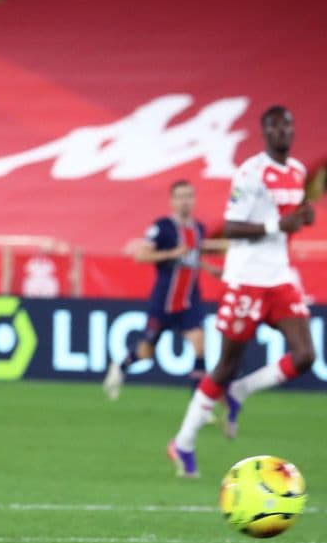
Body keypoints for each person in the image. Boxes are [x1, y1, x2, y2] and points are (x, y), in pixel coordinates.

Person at [167, 105, 315, 477]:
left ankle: (241, 392)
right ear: (265, 133)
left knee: (305, 356)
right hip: (246, 278)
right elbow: (230, 226)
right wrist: (276, 224)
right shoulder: (250, 173)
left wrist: (303, 217)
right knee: (225, 365)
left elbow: (290, 218)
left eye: (287, 124)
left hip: (279, 276)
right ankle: (182, 443)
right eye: (275, 126)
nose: (283, 131)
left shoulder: (297, 171)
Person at [103, 180, 223, 399]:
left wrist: (210, 269)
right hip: (164, 301)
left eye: (189, 196)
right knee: (147, 352)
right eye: (180, 197)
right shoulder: (162, 227)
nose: (185, 201)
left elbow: (193, 257)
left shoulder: (199, 228)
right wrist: (171, 254)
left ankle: (199, 405)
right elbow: (141, 256)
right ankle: (120, 367)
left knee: (199, 343)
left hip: (189, 300)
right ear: (172, 201)